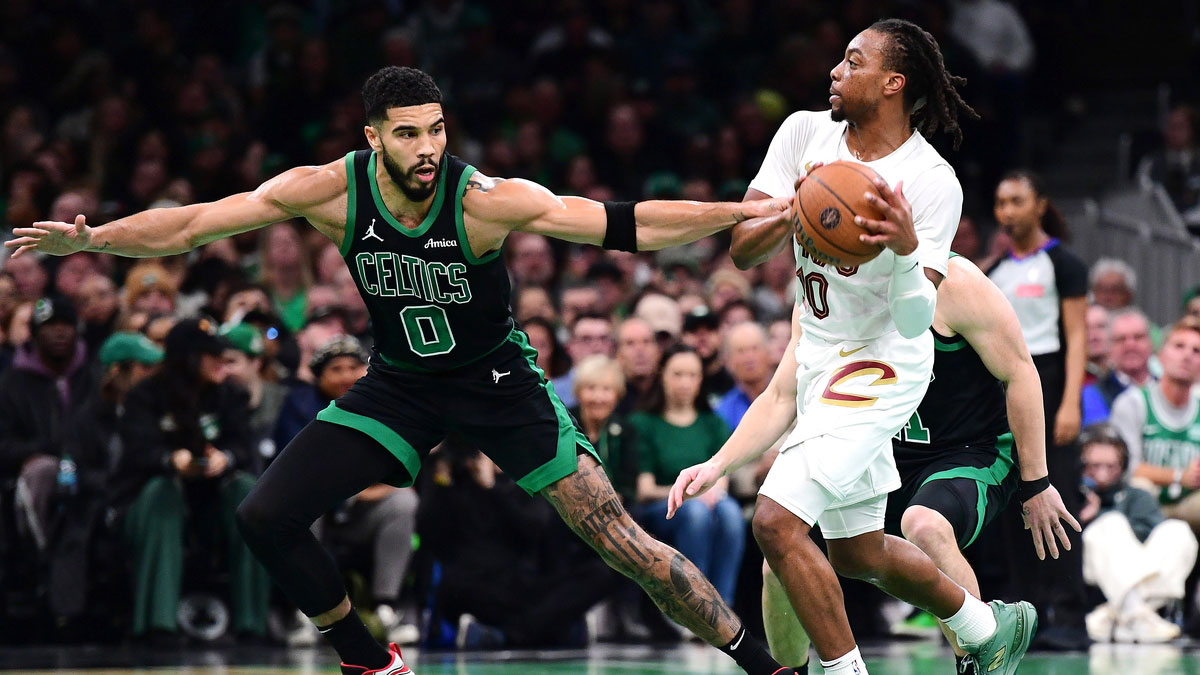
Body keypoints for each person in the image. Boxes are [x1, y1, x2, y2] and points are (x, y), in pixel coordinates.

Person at [9, 66, 795, 675]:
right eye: (410, 134)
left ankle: (759, 663)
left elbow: (623, 224)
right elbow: (193, 224)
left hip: (498, 384)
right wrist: (95, 240)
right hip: (402, 385)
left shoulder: (484, 200)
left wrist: (739, 212)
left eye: (438, 131)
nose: (429, 149)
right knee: (263, 516)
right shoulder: (328, 191)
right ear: (373, 136)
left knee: (622, 540)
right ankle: (368, 655)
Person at [672, 19, 1035, 675]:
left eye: (853, 61)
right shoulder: (803, 134)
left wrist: (902, 250)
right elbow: (742, 251)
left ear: (892, 83)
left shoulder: (929, 182)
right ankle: (988, 624)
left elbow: (916, 310)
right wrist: (782, 217)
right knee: (858, 553)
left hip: (884, 368)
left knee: (775, 522)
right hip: (822, 358)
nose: (835, 71)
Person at [757, 254, 1078, 673]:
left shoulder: (956, 281)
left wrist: (1036, 483)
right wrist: (722, 463)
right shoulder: (822, 288)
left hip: (968, 451)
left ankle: (980, 658)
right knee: (780, 553)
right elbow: (784, 393)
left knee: (924, 525)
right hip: (875, 453)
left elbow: (1020, 371)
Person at [111, 318, 270, 643]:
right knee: (162, 492)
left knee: (247, 493)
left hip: (213, 502)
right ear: (188, 357)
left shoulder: (230, 395)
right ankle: (158, 623)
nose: (221, 363)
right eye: (211, 356)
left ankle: (253, 624)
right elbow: (137, 452)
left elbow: (244, 445)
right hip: (149, 504)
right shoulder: (146, 396)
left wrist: (225, 457)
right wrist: (171, 460)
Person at [987, 169, 1090, 646]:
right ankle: (1029, 616)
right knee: (1014, 505)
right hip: (1007, 392)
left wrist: (1071, 402)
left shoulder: (1063, 263)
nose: (1007, 211)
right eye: (1001, 203)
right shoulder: (993, 273)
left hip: (1050, 385)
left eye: (1016, 201)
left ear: (1040, 205)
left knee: (1059, 498)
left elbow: (1078, 338)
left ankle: (1070, 618)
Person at [632, 344, 744, 605]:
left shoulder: (712, 423)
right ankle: (693, 605)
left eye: (692, 375)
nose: (685, 383)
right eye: (678, 374)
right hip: (663, 508)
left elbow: (722, 480)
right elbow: (644, 489)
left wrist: (707, 494)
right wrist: (688, 494)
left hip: (707, 502)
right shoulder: (644, 423)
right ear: (663, 375)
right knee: (696, 514)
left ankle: (723, 605)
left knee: (730, 513)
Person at [1077, 426, 1196, 643]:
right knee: (1109, 524)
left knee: (1178, 531)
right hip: (1091, 569)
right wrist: (1090, 517)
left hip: (1139, 563)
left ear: (1122, 466)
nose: (1102, 473)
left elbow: (1153, 532)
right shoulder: (1071, 498)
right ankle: (1136, 616)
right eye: (1094, 466)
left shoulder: (1137, 495)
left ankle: (1115, 615)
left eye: (1110, 466)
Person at [0, 297, 95, 554]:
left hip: (91, 474)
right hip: (30, 481)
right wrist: (40, 449)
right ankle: (38, 552)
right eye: (50, 325)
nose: (60, 332)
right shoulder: (11, 384)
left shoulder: (94, 376)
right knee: (42, 472)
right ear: (33, 334)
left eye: (67, 324)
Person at [1110, 318, 1200, 535]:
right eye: (1179, 346)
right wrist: (1179, 476)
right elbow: (1127, 468)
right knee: (1141, 487)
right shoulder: (1133, 402)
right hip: (1142, 505)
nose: (1187, 355)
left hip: (1188, 503)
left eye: (1197, 350)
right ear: (1159, 356)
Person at [221, 323, 287, 467]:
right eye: (219, 363)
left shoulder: (282, 400)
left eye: (231, 362)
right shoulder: (216, 401)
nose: (224, 370)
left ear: (256, 362)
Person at [715, 321, 772, 430]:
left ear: (768, 352)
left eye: (755, 348)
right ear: (728, 361)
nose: (749, 358)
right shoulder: (723, 411)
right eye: (741, 351)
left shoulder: (791, 396)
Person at [552, 312, 615, 409]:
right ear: (569, 347)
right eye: (586, 339)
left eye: (603, 338)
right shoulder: (553, 392)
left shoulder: (625, 390)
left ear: (612, 346)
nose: (597, 346)